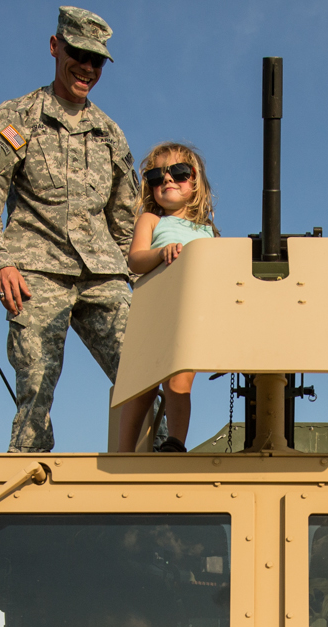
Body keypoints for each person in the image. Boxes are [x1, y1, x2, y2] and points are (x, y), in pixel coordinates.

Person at [0, 7, 140, 453]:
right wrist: (0, 262)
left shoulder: (110, 134)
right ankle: (28, 481)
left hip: (103, 273)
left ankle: (155, 473)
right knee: (36, 387)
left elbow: (125, 222)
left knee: (144, 372)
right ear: (54, 46)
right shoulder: (18, 117)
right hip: (36, 271)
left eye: (97, 60)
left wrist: (140, 284)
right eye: (78, 54)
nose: (87, 67)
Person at [115, 143, 219, 453]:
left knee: (179, 382)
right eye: (157, 177)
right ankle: (122, 452)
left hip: (191, 318)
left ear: (195, 180)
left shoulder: (207, 231)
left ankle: (175, 442)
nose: (168, 181)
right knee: (141, 389)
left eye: (179, 173)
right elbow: (135, 260)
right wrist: (161, 253)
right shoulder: (152, 220)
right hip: (154, 314)